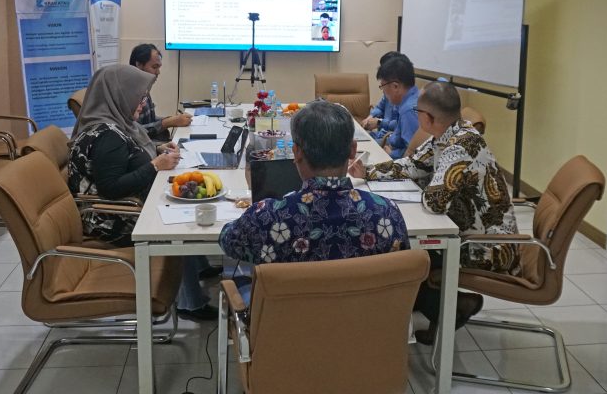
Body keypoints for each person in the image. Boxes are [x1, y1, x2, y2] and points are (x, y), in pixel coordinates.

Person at [351, 81, 519, 344]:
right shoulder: (448, 134)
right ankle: (445, 306)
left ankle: (449, 308)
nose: (415, 115)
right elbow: (413, 165)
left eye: (417, 111)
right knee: (405, 248)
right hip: (466, 232)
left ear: (428, 118)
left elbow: (435, 201)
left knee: (407, 253)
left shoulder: (461, 146)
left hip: (490, 246)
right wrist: (368, 172)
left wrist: (425, 186)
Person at [67, 64, 217, 320]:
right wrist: (154, 165)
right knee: (179, 217)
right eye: (138, 96)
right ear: (119, 96)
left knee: (181, 199)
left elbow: (129, 154)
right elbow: (111, 188)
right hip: (111, 216)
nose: (143, 102)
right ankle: (189, 302)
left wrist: (156, 150)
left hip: (123, 204)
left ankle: (198, 268)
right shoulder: (107, 137)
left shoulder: (115, 123)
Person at [220, 101, 410, 295]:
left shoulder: (267, 216)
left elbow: (227, 241)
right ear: (353, 150)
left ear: (296, 152)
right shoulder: (387, 213)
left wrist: (255, 209)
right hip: (364, 313)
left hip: (291, 314)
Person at [129, 44, 192, 143]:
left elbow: (151, 120)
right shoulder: (129, 93)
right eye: (154, 67)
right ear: (139, 65)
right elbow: (135, 133)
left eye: (159, 67)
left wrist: (174, 119)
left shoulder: (144, 88)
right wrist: (167, 122)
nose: (158, 72)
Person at [371, 55, 419, 158]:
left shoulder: (408, 111)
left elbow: (414, 154)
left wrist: (392, 154)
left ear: (395, 86)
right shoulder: (412, 97)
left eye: (382, 86)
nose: (383, 91)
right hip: (390, 143)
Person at [363, 51, 406, 139]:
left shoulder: (405, 95)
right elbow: (380, 107)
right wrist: (370, 117)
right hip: (380, 134)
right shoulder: (389, 90)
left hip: (390, 138)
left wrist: (379, 122)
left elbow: (400, 125)